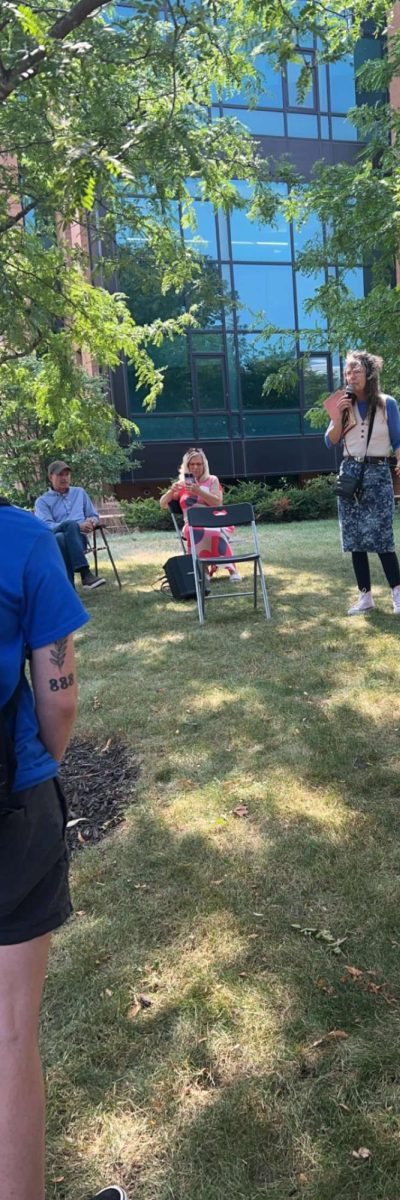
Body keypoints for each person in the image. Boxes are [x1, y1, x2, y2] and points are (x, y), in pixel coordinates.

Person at [0, 498, 127, 1200]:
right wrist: (37, 770)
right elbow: (61, 699)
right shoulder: (21, 539)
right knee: (10, 1034)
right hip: (11, 807)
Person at [325, 350, 400, 614]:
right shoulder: (341, 402)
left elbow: (398, 440)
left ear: (369, 374)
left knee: (383, 535)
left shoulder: (387, 403)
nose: (351, 376)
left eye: (356, 371)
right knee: (354, 538)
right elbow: (330, 440)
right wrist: (339, 416)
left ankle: (398, 596)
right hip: (350, 472)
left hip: (378, 471)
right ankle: (365, 597)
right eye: (347, 372)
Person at [159, 447, 241, 581]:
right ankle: (203, 571)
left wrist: (199, 491)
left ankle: (232, 570)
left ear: (204, 465)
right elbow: (162, 504)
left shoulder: (212, 480)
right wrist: (170, 491)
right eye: (192, 464)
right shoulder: (181, 484)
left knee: (215, 531)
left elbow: (217, 503)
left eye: (199, 464)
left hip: (214, 520)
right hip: (192, 523)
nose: (195, 467)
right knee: (195, 530)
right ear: (187, 466)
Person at [34, 461, 106, 590]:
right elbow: (46, 526)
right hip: (53, 544)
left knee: (61, 537)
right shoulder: (42, 501)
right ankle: (85, 574)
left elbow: (93, 515)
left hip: (79, 541)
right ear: (51, 477)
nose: (64, 478)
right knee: (64, 532)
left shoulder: (79, 492)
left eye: (67, 474)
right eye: (60, 475)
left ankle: (69, 589)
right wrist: (77, 525)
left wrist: (91, 522)